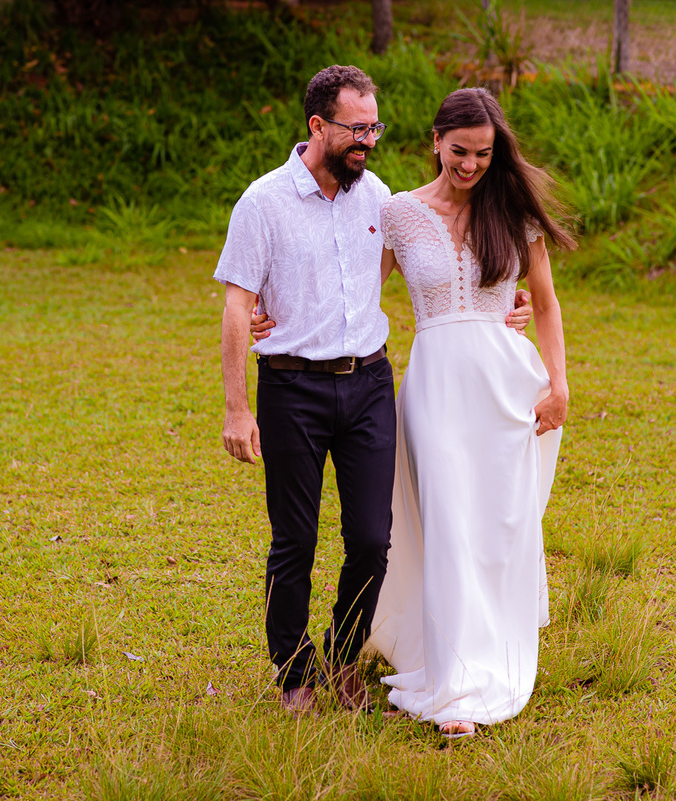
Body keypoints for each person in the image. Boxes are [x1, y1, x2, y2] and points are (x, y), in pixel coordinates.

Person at [216, 66, 531, 717]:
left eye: (374, 127)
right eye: (356, 129)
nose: (368, 140)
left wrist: (505, 303)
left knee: (370, 537)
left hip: (366, 385)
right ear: (317, 126)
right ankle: (295, 672)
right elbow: (236, 301)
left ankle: (343, 651)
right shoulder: (263, 201)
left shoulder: (378, 199)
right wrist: (238, 403)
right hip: (290, 389)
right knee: (295, 539)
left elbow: (439, 261)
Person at [363, 87, 574, 738]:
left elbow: (543, 303)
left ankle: (489, 652)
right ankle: (455, 686)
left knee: (495, 526)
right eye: (460, 151)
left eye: (484, 153)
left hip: (505, 384)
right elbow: (356, 289)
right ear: (434, 142)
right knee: (447, 519)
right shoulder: (399, 213)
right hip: (434, 384)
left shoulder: (511, 212)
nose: (472, 164)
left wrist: (560, 384)